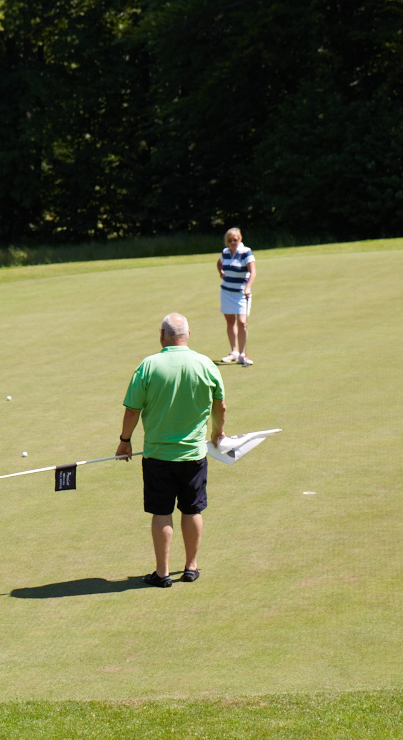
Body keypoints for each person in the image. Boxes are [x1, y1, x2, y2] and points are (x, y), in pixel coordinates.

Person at [117, 313, 226, 588]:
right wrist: (217, 432)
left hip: (158, 455)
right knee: (192, 510)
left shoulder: (148, 365)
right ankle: (191, 567)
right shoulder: (205, 363)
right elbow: (220, 405)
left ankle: (162, 573)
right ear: (187, 334)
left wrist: (125, 440)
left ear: (161, 335)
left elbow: (132, 410)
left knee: (162, 512)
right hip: (193, 455)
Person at [216, 227, 256, 366]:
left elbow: (253, 272)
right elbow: (219, 263)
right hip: (226, 292)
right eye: (230, 240)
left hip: (241, 293)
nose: (233, 242)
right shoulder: (225, 252)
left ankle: (242, 354)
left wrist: (248, 287)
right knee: (230, 321)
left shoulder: (246, 252)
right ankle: (234, 352)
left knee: (242, 322)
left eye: (235, 240)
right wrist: (221, 273)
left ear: (240, 239)